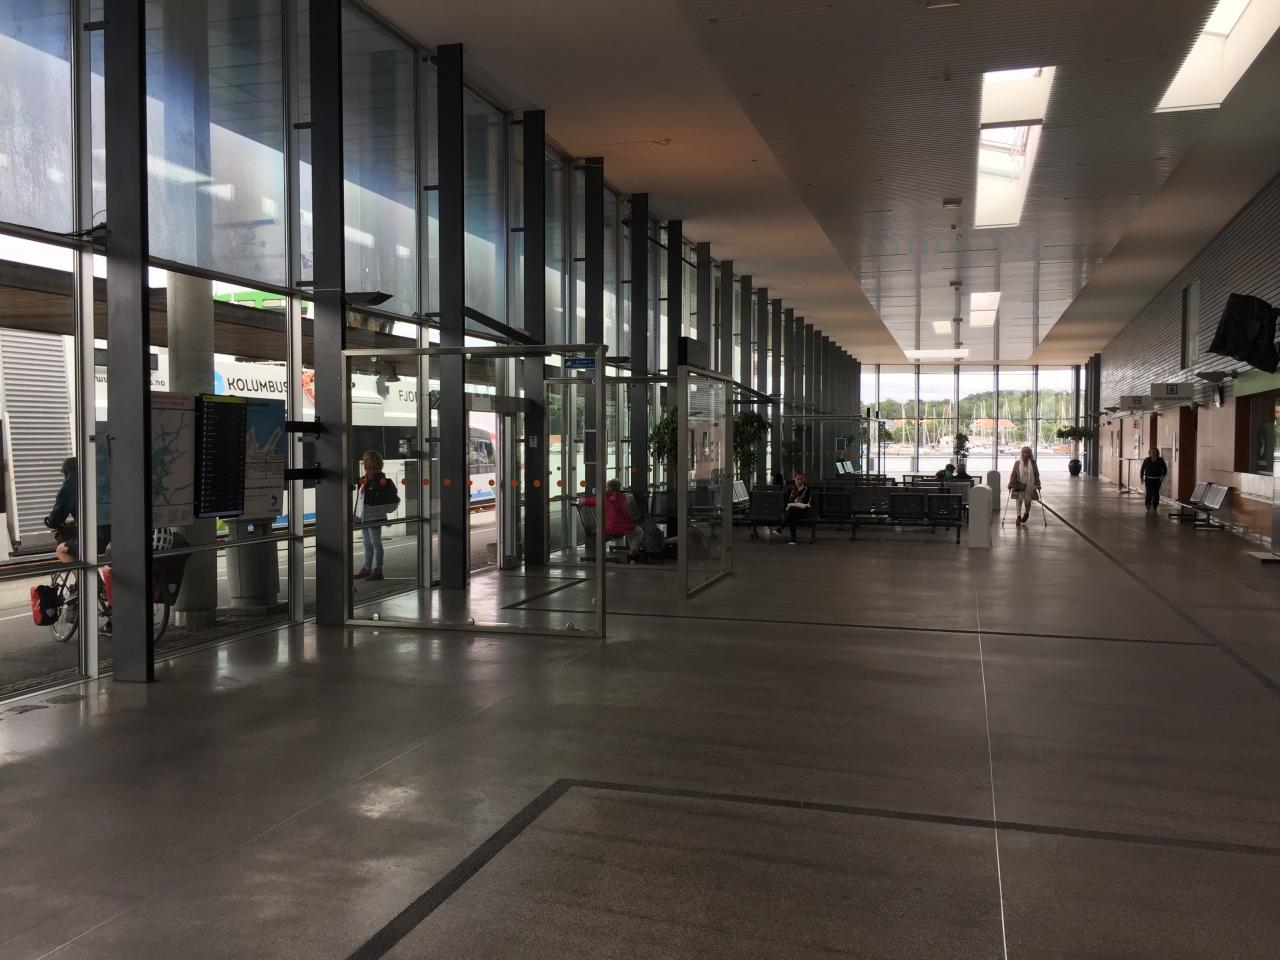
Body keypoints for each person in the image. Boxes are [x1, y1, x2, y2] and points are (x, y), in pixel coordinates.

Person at [354, 450, 399, 581]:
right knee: (367, 543)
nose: (364, 464)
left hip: (375, 516)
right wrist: (356, 516)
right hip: (364, 516)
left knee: (375, 543)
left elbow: (382, 499)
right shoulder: (363, 480)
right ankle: (367, 568)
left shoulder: (381, 481)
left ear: (373, 463)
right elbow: (360, 500)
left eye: (366, 461)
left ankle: (378, 570)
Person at [580, 478, 645, 561]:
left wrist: (581, 500)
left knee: (631, 532)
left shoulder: (603, 498)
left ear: (608, 488)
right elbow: (626, 514)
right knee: (639, 531)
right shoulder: (621, 498)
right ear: (618, 488)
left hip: (605, 527)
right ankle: (632, 551)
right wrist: (630, 522)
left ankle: (633, 553)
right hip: (618, 527)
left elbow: (588, 501)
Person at [774, 471, 812, 545]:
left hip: (803, 511)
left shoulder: (807, 489)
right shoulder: (790, 489)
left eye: (802, 479)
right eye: (798, 479)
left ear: (804, 479)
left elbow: (807, 502)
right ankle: (793, 539)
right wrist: (794, 501)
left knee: (791, 510)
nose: (800, 481)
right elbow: (787, 502)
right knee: (792, 514)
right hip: (792, 512)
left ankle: (782, 528)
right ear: (794, 479)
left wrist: (799, 502)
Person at [1007, 446, 1041, 526]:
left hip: (1029, 485)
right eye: (1023, 451)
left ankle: (1026, 513)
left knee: (1027, 501)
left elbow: (1036, 474)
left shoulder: (1033, 463)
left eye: (1026, 452)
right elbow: (1013, 474)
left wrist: (1038, 484)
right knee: (1018, 500)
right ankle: (1018, 516)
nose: (1024, 453)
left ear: (1029, 453)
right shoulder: (1017, 463)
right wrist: (1011, 483)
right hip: (1019, 484)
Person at [1140, 446, 1168, 511]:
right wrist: (1141, 477)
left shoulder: (1160, 460)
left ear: (1157, 452)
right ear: (1149, 453)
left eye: (1154, 452)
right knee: (1148, 492)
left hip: (1157, 479)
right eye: (1151, 452)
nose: (1152, 453)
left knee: (1156, 492)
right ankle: (1148, 504)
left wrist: (1163, 476)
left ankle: (1155, 505)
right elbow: (1142, 469)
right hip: (1148, 479)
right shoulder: (1147, 460)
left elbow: (1165, 469)